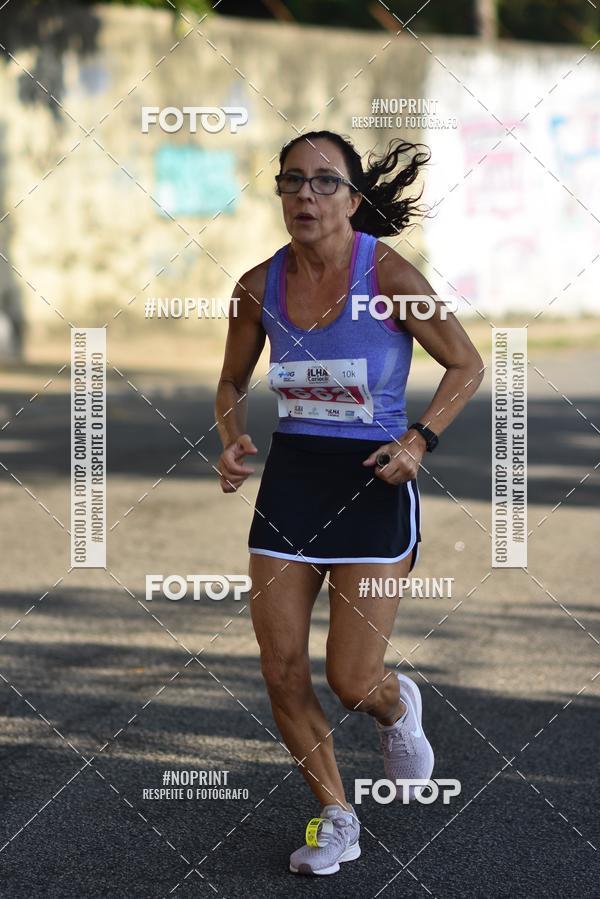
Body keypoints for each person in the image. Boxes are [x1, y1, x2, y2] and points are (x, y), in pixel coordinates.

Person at [215, 129, 483, 876]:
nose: (306, 194)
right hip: (293, 482)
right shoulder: (254, 286)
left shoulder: (390, 273)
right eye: (292, 181)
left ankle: (397, 707)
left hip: (374, 480)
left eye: (324, 182)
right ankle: (336, 815)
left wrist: (420, 438)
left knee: (352, 677)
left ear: (353, 198)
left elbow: (465, 363)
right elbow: (230, 382)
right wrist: (232, 433)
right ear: (278, 193)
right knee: (280, 668)